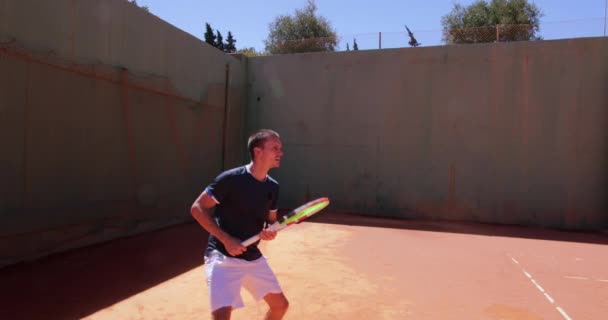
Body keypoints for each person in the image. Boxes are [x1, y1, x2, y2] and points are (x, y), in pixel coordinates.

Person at [191, 129, 289, 320]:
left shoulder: (273, 187)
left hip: (252, 256)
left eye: (281, 148)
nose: (280, 152)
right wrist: (227, 240)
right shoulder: (231, 179)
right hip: (222, 257)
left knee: (280, 307)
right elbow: (197, 208)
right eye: (275, 148)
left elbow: (271, 221)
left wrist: (270, 231)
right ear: (258, 151)